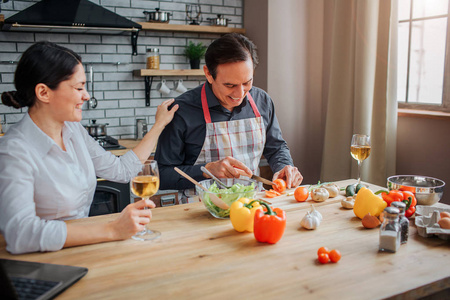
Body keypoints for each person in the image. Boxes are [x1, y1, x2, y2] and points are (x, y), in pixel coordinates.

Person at [0, 41, 179, 254]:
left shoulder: (74, 130)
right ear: (44, 92)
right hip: (41, 262)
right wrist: (113, 230)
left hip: (82, 250)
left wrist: (159, 124)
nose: (86, 95)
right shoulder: (14, 151)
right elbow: (21, 234)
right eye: (79, 87)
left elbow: (122, 170)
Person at [155, 33, 302, 194]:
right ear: (208, 74)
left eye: (247, 82)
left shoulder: (262, 101)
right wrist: (205, 170)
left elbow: (276, 148)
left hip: (251, 206)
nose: (240, 93)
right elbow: (161, 175)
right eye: (230, 85)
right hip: (198, 211)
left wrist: (284, 167)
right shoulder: (181, 110)